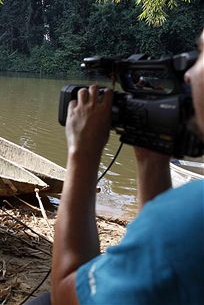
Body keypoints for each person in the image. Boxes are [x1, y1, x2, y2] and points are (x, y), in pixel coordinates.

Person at [27, 30, 204, 305]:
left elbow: (65, 294)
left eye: (202, 54)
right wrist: (151, 160)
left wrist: (82, 151)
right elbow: (159, 272)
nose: (190, 74)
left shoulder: (191, 216)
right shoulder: (179, 217)